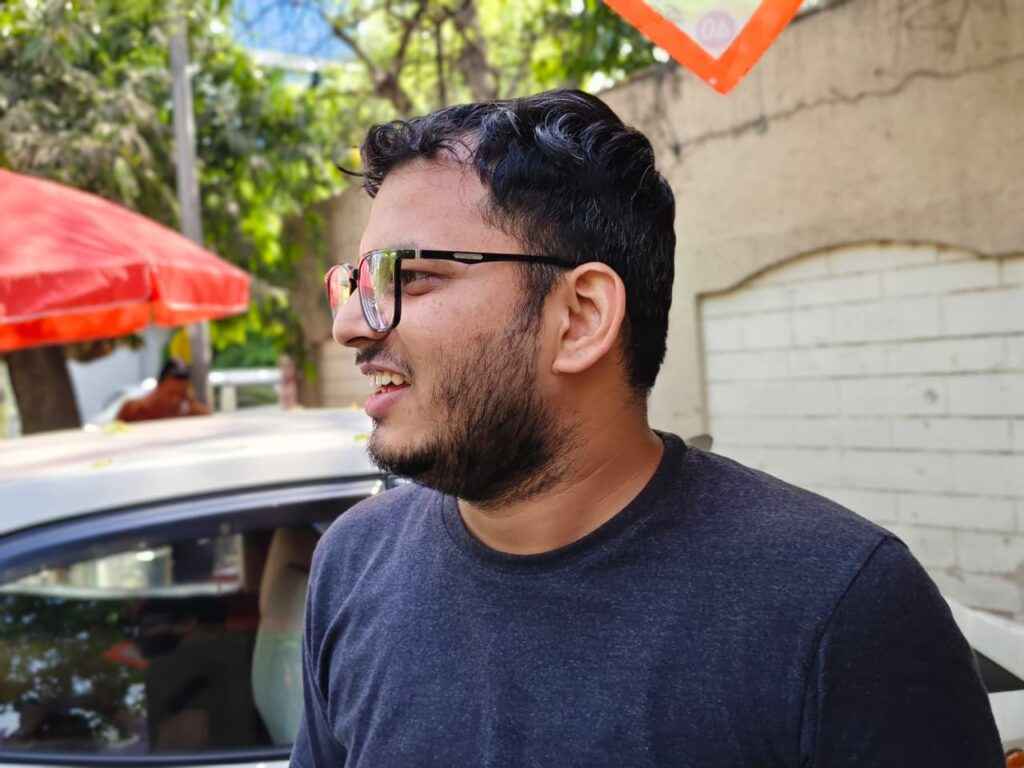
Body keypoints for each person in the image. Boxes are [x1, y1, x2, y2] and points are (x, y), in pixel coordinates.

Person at [293, 90, 1003, 767]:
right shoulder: (353, 564)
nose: (350, 324)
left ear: (581, 318)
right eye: (355, 282)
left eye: (409, 277)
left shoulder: (839, 609)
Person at [116, 358, 211, 423]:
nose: (175, 400)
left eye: (182, 394)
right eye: (172, 393)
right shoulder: (132, 410)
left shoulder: (187, 412)